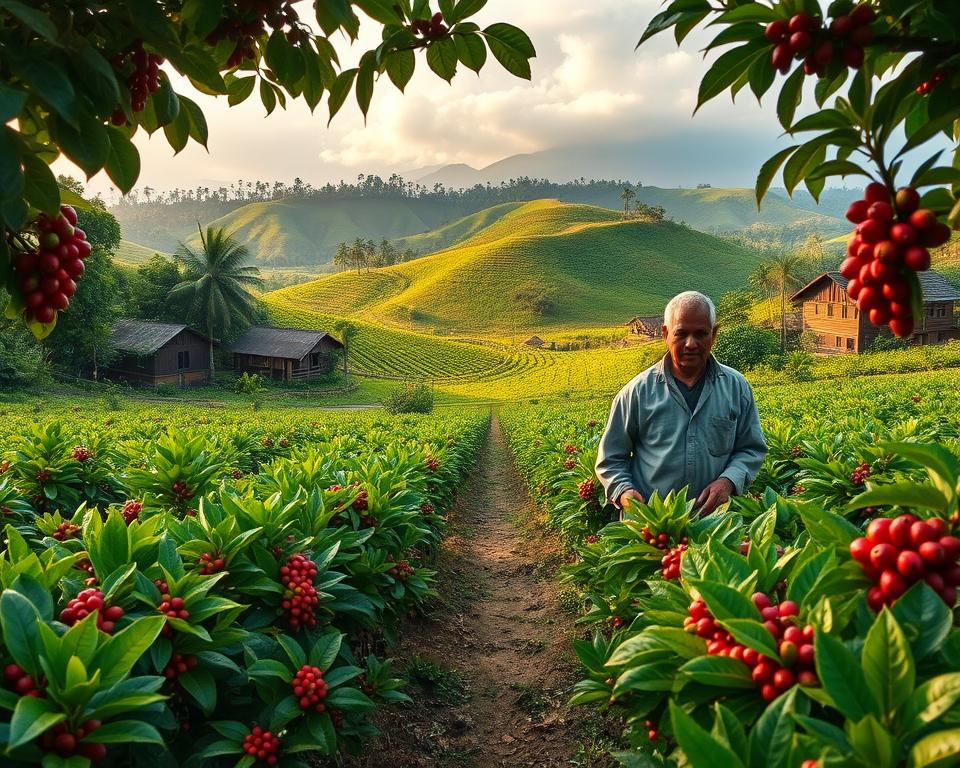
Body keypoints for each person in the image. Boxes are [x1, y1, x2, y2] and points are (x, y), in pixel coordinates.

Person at [595, 290, 767, 517]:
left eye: (701, 334)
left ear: (713, 335)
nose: (690, 344)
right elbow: (611, 459)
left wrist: (729, 481)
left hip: (715, 522)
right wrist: (624, 491)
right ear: (666, 334)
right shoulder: (636, 392)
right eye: (681, 333)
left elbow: (751, 448)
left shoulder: (736, 387)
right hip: (653, 525)